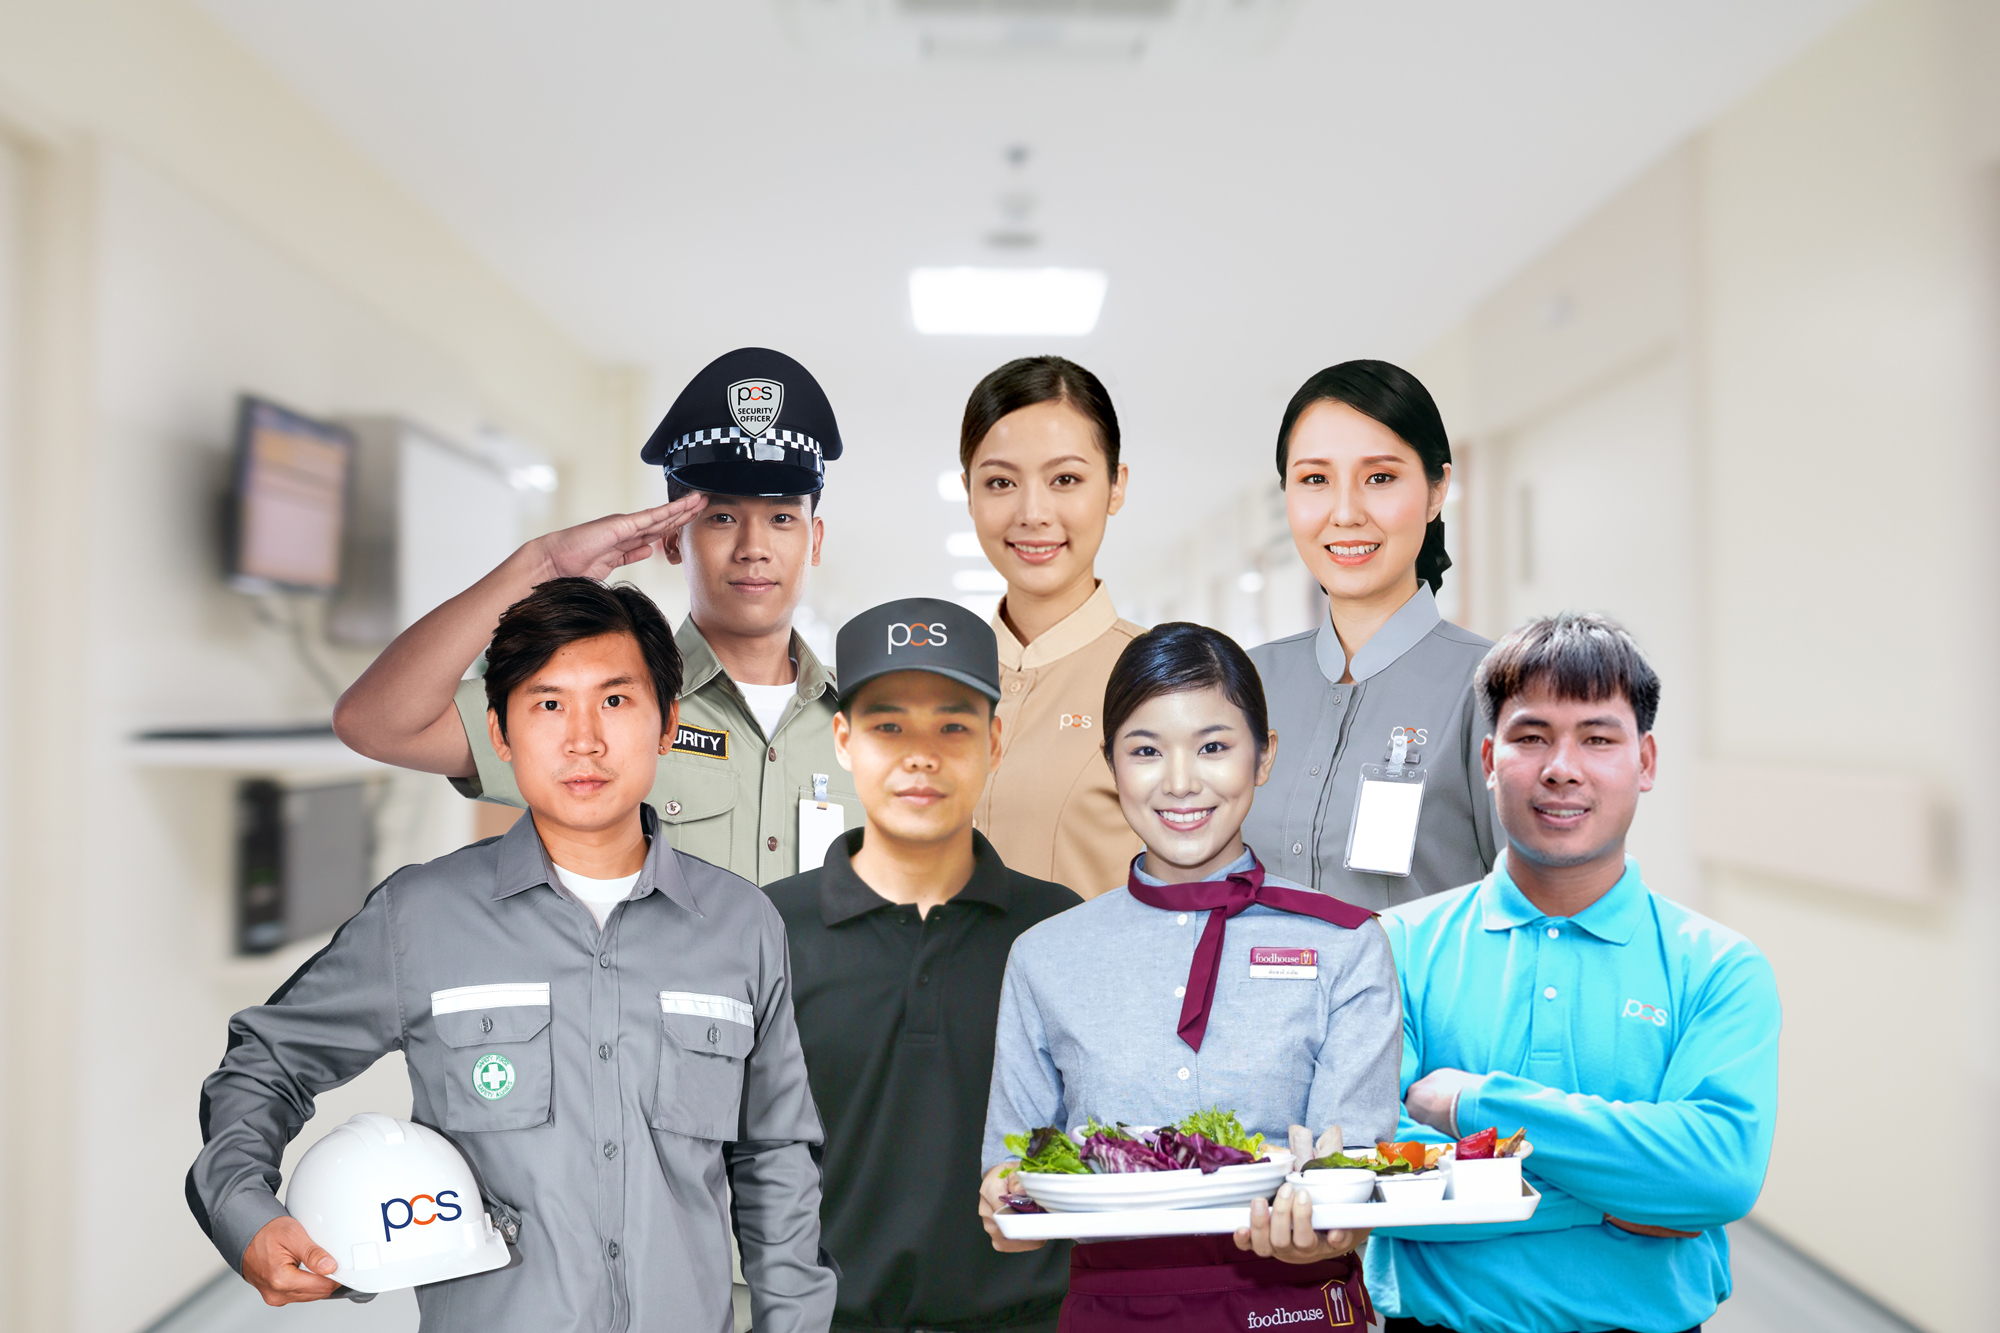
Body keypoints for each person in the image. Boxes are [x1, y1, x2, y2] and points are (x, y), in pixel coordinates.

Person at [187, 577, 836, 1332]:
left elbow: (776, 1156)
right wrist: (245, 1212)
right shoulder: (421, 916)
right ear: (499, 733)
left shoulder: (742, 924)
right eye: (548, 703)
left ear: (667, 724)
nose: (583, 739)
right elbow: (266, 1060)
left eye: (616, 701)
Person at [978, 622, 1401, 1329]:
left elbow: (1351, 1166)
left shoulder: (1345, 943)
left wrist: (1328, 1222)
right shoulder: (1045, 956)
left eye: (1214, 747)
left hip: (1296, 1308)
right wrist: (1003, 1194)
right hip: (1112, 1309)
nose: (1180, 781)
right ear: (1110, 766)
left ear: (1263, 757)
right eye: (1146, 750)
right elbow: (1014, 1166)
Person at [1368, 613, 1780, 1333]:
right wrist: (1624, 1194)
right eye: (1531, 738)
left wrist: (1474, 1103)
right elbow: (1377, 1177)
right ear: (1490, 758)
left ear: (1645, 760)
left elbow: (1716, 1173)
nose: (1562, 766)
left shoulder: (1718, 966)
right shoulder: (1397, 946)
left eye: (1597, 737)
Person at [332, 346, 861, 885]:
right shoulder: (599, 701)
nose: (754, 547)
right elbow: (377, 724)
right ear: (674, 541)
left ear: (814, 540)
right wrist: (541, 564)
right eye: (721, 517)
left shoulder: (874, 727)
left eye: (780, 518)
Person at [763, 596, 1077, 1333]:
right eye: (888, 724)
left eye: (954, 725)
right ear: (842, 739)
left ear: (995, 741)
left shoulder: (1059, 929)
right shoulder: (768, 929)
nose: (921, 754)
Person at [1243, 359, 1498, 910]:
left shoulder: (1499, 688)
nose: (1345, 512)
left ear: (1436, 491)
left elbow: (1533, 914)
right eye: (1315, 479)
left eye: (1379, 478)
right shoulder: (1243, 683)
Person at [959, 355, 1144, 898]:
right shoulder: (934, 678)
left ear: (1115, 486)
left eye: (1065, 478)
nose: (1033, 512)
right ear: (968, 491)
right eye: (1000, 482)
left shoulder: (1165, 684)